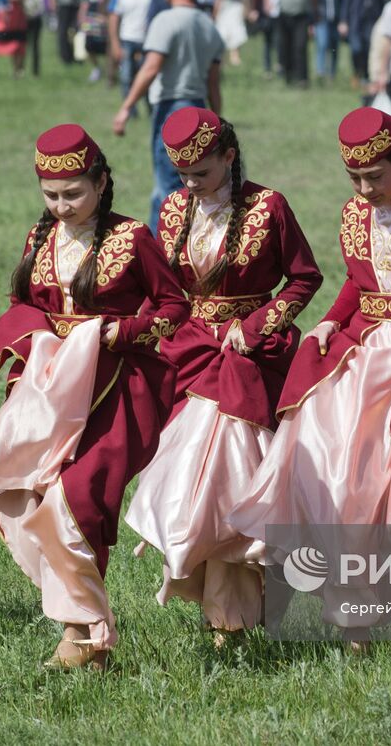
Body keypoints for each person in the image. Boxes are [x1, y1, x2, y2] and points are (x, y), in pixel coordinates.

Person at [230, 108, 391, 646]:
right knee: (345, 483)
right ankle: (356, 618)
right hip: (361, 353)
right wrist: (329, 319)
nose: (366, 188)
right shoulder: (354, 213)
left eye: (376, 176)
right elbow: (357, 282)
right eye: (356, 178)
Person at [0, 125, 187, 670]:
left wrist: (122, 332)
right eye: (51, 195)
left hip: (116, 386)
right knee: (25, 492)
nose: (63, 206)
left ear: (102, 182)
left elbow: (172, 309)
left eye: (74, 194)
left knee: (78, 499)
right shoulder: (38, 238)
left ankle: (81, 636)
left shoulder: (133, 238)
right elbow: (21, 305)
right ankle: (84, 631)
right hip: (46, 389)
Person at [127, 109, 322, 642]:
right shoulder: (171, 209)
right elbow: (160, 288)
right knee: (186, 479)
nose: (190, 186)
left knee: (229, 481)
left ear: (229, 157)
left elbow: (305, 278)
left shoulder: (268, 206)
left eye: (202, 174)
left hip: (248, 359)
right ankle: (219, 606)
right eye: (182, 176)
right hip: (189, 353)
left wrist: (258, 325)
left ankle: (230, 619)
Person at [112, 0, 225, 227]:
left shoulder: (166, 20)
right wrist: (217, 120)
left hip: (172, 108)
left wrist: (126, 107)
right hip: (200, 109)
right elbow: (213, 83)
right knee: (189, 183)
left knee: (169, 185)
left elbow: (151, 68)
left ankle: (162, 251)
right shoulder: (210, 26)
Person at [109, 0, 154, 101]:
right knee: (126, 76)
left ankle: (149, 107)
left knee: (146, 76)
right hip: (127, 39)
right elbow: (113, 19)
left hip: (147, 41)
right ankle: (130, 110)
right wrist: (115, 44)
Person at [340, 0, 384, 88]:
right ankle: (356, 73)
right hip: (356, 22)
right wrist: (343, 21)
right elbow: (346, 3)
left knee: (368, 49)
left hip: (371, 22)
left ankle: (366, 76)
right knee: (356, 49)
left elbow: (380, 3)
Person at [276, 0, 313, 87]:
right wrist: (268, 4)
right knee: (285, 47)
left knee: (300, 46)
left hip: (301, 16)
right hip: (284, 16)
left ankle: (302, 78)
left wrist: (315, 13)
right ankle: (288, 75)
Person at [313, 0, 342, 82]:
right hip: (321, 19)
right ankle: (321, 71)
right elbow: (314, 3)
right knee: (322, 44)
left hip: (335, 20)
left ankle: (332, 73)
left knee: (334, 46)